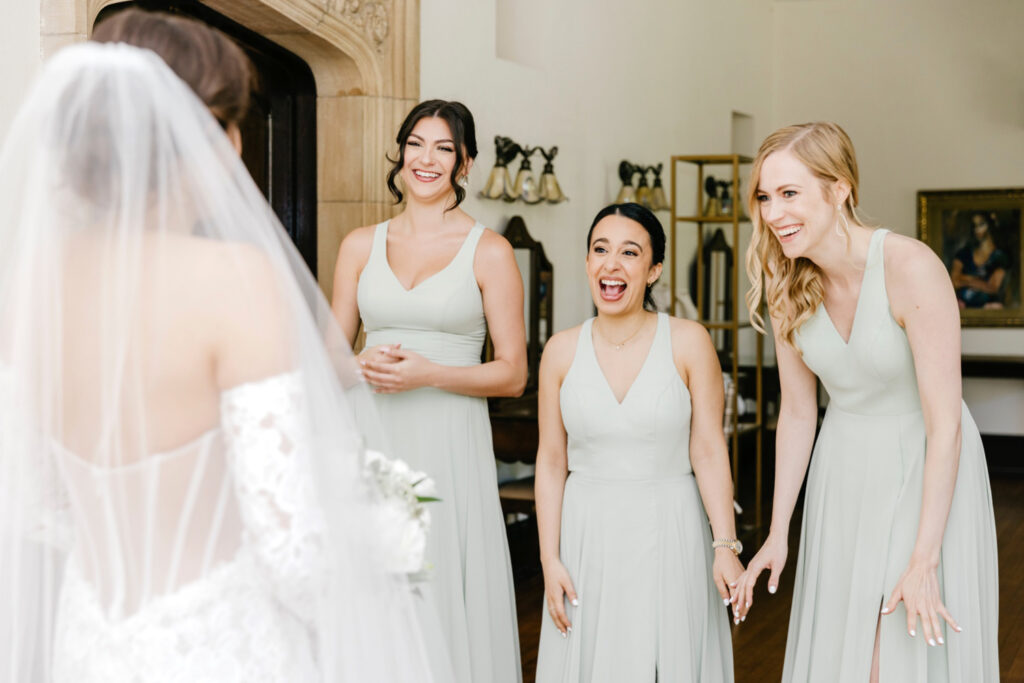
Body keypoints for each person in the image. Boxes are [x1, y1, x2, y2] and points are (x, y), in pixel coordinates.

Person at [0, 14, 443, 683]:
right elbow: (294, 555)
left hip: (88, 643)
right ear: (196, 134)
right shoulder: (235, 279)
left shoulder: (29, 290)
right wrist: (372, 541)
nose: (237, 148)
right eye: (231, 123)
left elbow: (34, 503)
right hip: (221, 646)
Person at [733, 122, 998, 682]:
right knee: (848, 652)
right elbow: (801, 414)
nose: (773, 213)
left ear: (840, 189)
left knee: (896, 653)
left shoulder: (911, 267)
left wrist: (926, 555)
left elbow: (945, 423)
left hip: (924, 464)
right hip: (844, 470)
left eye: (789, 194)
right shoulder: (784, 282)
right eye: (764, 196)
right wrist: (779, 531)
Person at [331, 100, 527, 683]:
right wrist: (358, 363)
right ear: (400, 153)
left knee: (438, 582)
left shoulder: (489, 251)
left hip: (448, 443)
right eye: (417, 143)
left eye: (444, 148)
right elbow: (326, 357)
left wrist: (430, 374)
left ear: (464, 164)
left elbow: (513, 372)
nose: (427, 158)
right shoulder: (359, 245)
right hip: (373, 437)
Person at [533, 203, 739, 683]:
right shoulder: (560, 351)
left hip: (670, 528)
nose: (612, 264)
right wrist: (549, 558)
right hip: (586, 534)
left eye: (630, 253)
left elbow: (708, 448)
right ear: (587, 263)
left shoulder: (689, 341)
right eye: (600, 250)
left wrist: (725, 544)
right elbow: (551, 459)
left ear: (653, 270)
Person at [951, 212, 1010, 309]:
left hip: (989, 308)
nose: (977, 230)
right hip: (962, 307)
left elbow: (993, 287)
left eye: (981, 224)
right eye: (974, 226)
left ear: (990, 225)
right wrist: (979, 282)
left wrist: (966, 279)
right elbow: (954, 282)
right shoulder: (963, 253)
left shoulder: (1000, 257)